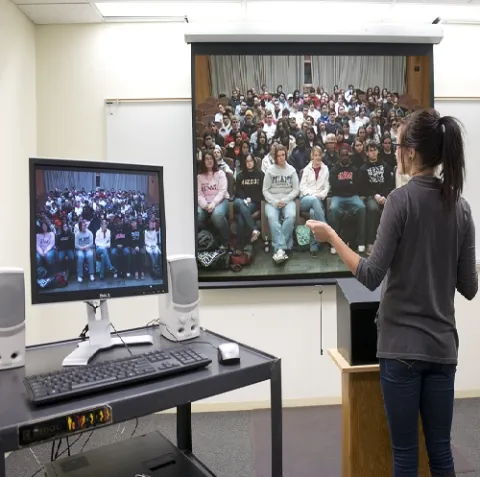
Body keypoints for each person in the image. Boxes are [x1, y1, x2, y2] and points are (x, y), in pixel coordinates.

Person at [306, 108, 478, 477]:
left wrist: (332, 236)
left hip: (401, 351)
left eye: (398, 145)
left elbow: (369, 275)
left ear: (412, 152)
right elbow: (469, 287)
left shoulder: (401, 201)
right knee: (441, 455)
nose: (396, 151)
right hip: (443, 350)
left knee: (404, 456)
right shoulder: (461, 208)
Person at [263, 145, 299, 263]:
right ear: (275, 157)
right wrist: (274, 201)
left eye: (283, 155)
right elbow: (265, 190)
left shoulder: (292, 170)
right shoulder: (269, 170)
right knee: (272, 217)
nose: (281, 158)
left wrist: (286, 200)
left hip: (287, 200)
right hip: (273, 200)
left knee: (291, 216)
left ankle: (279, 248)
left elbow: (296, 190)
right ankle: (285, 246)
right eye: (278, 156)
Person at [357, 141, 394, 255]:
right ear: (367, 153)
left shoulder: (386, 166)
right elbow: (362, 187)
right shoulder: (363, 169)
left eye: (374, 150)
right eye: (370, 151)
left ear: (378, 151)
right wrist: (375, 195)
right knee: (373, 209)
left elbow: (390, 184)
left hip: (385, 196)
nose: (373, 153)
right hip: (371, 197)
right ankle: (371, 243)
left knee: (393, 209)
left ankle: (391, 243)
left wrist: (384, 195)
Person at [328, 144, 366, 255]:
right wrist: (348, 183)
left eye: (346, 155)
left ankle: (361, 242)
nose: (344, 157)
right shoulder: (334, 170)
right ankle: (334, 243)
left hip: (352, 196)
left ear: (349, 156)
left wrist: (343, 184)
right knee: (333, 209)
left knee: (361, 208)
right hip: (338, 197)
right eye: (342, 155)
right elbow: (334, 185)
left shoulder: (354, 169)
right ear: (339, 156)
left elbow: (357, 186)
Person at [299, 146, 329, 256]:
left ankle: (314, 245)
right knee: (313, 201)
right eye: (315, 155)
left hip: (318, 200)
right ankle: (326, 229)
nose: (317, 158)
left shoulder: (325, 169)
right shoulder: (307, 169)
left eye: (319, 155)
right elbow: (302, 187)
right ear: (312, 156)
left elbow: (326, 188)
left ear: (321, 156)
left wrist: (318, 195)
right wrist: (313, 195)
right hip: (305, 200)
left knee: (313, 213)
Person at [197, 151, 230, 249]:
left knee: (217, 216)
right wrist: (205, 205)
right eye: (206, 159)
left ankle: (226, 241)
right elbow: (198, 194)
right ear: (203, 161)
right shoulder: (199, 177)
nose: (209, 161)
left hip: (221, 201)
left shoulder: (220, 173)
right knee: (197, 216)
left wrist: (213, 204)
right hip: (205, 203)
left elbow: (222, 191)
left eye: (211, 158)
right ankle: (209, 238)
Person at [233, 154, 263, 253]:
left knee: (242, 217)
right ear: (244, 163)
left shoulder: (260, 175)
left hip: (253, 203)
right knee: (239, 203)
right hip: (241, 201)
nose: (249, 163)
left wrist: (250, 199)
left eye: (250, 161)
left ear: (254, 161)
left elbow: (262, 192)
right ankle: (254, 229)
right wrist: (244, 198)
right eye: (247, 161)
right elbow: (237, 191)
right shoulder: (240, 176)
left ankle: (239, 246)